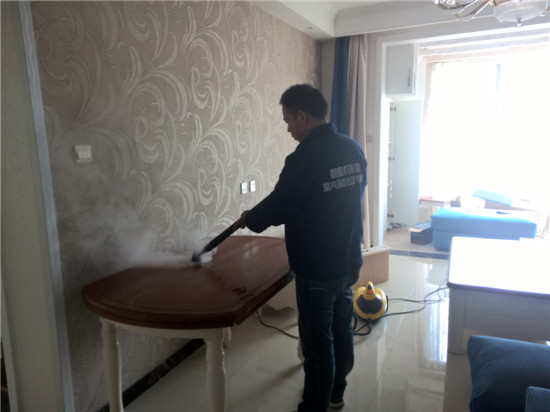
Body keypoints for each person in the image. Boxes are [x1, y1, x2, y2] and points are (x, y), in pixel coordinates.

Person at [239, 84, 368, 411]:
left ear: (302, 116)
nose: (287, 129)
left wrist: (251, 218)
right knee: (341, 330)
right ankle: (336, 394)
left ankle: (314, 406)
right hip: (348, 260)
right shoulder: (353, 149)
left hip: (317, 268)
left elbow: (280, 205)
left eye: (288, 121)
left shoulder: (304, 158)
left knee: (317, 344)